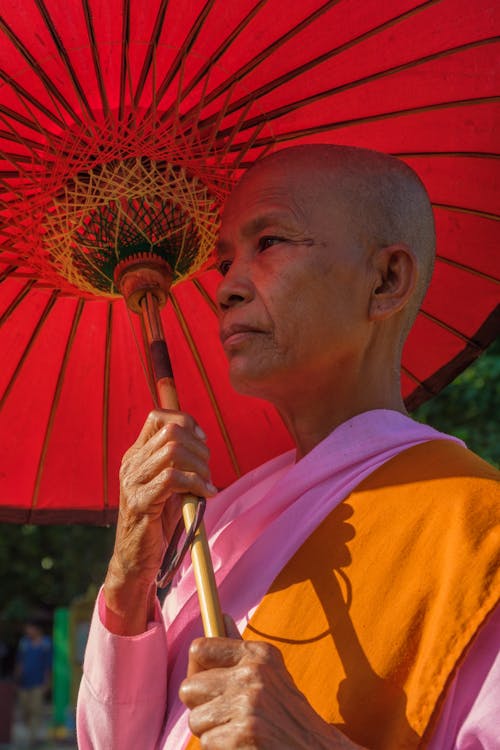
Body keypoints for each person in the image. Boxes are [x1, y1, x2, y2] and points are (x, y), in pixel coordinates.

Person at [77, 145, 499, 749]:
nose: (226, 290)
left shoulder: (476, 529)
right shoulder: (223, 522)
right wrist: (129, 578)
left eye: (269, 242)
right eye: (225, 263)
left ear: (386, 280)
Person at [15, 621, 51, 746]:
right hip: (24, 683)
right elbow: (20, 661)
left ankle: (33, 738)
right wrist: (17, 679)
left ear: (37, 630)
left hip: (38, 683)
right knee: (25, 711)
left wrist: (47, 683)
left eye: (30, 628)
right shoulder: (24, 643)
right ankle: (30, 732)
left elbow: (48, 665)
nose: (28, 631)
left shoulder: (46, 644)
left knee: (36, 710)